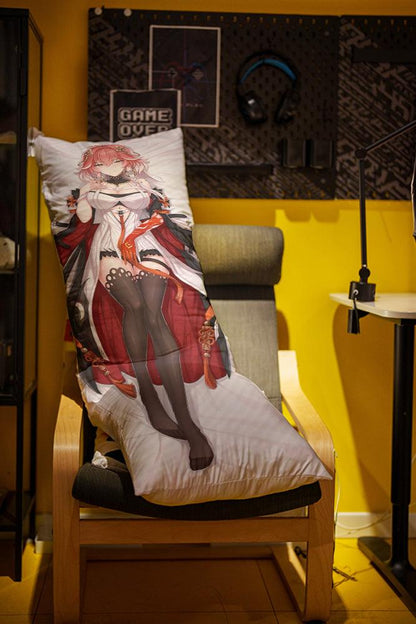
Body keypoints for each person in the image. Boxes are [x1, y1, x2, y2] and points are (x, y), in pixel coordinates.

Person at [55, 143, 231, 471]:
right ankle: (150, 399)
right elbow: (84, 220)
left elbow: (158, 213)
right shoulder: (90, 189)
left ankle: (186, 420)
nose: (108, 166)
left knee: (155, 312)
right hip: (109, 247)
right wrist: (86, 196)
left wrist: (144, 192)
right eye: (100, 163)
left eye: (113, 160)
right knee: (134, 306)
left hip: (145, 243)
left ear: (126, 160)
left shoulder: (141, 184)